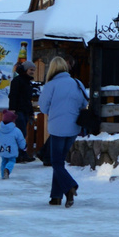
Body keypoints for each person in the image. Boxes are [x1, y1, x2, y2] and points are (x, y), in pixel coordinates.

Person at [35, 56, 88, 207]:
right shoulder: (77, 83)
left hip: (57, 128)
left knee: (56, 162)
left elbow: (43, 108)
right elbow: (84, 102)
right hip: (73, 128)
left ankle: (70, 187)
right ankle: (56, 197)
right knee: (60, 163)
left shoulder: (51, 85)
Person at [8, 59, 38, 162]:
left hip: (25, 111)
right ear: (25, 69)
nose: (32, 72)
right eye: (31, 69)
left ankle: (20, 154)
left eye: (34, 70)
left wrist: (31, 112)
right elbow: (13, 96)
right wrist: (12, 110)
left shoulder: (28, 82)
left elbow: (28, 99)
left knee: (22, 134)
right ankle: (20, 155)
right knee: (21, 133)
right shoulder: (17, 81)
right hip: (18, 111)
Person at [0, 110, 27, 180]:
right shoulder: (16, 130)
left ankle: (3, 175)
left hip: (2, 149)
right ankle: (7, 169)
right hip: (12, 150)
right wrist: (23, 147)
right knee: (12, 161)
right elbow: (21, 140)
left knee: (4, 161)